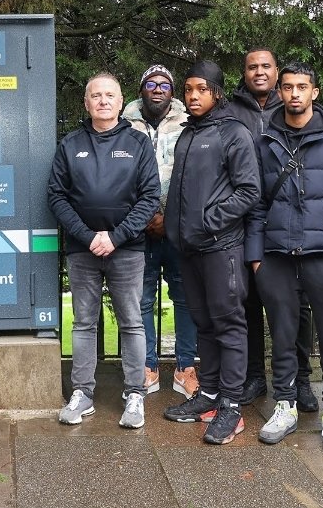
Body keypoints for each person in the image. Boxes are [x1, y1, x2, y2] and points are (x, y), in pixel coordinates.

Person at [245, 62, 323, 456]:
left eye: (302, 87)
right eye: (288, 87)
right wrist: (256, 258)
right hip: (276, 256)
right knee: (281, 335)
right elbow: (256, 204)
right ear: (280, 92)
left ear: (315, 92)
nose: (294, 94)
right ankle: (285, 404)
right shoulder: (266, 143)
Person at [48, 71, 160, 429]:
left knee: (132, 322)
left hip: (127, 249)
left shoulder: (138, 143)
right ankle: (82, 393)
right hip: (82, 250)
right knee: (83, 323)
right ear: (86, 102)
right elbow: (57, 196)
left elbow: (149, 197)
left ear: (120, 101)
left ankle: (135, 394)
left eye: (110, 95)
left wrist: (115, 236)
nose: (103, 101)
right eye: (95, 95)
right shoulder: (70, 145)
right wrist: (86, 234)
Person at [162, 60, 260, 445]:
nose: (193, 96)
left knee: (229, 325)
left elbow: (249, 191)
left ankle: (231, 407)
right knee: (204, 325)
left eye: (201, 89)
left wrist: (208, 220)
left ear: (217, 92)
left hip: (221, 248)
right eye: (188, 90)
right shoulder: (188, 134)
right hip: (189, 249)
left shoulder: (233, 133)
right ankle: (208, 394)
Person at [226, 46, 318, 411]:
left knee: (299, 307)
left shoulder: (294, 106)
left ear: (277, 74)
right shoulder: (230, 111)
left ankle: (302, 379)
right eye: (252, 67)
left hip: (291, 223)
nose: (259, 72)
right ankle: (254, 377)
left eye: (266, 66)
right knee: (247, 304)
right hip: (242, 220)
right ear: (244, 72)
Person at [121, 64, 199, 398]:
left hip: (178, 227)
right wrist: (144, 217)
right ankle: (147, 366)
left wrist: (168, 217)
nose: (157, 89)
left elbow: (196, 174)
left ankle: (185, 368)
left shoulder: (189, 124)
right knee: (140, 300)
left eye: (164, 84)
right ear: (142, 89)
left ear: (172, 90)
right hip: (137, 229)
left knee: (185, 298)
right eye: (150, 83)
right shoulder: (124, 126)